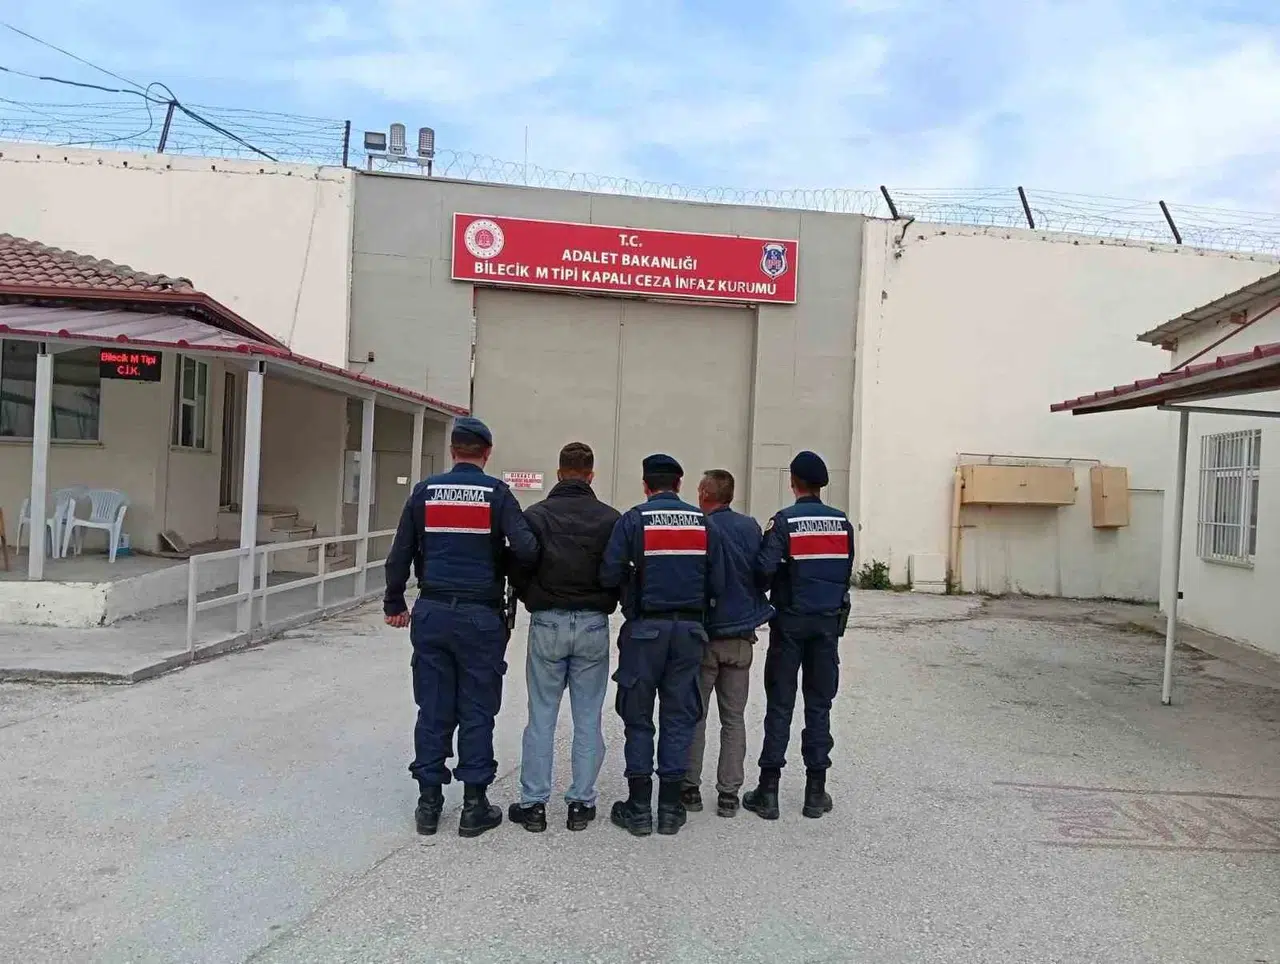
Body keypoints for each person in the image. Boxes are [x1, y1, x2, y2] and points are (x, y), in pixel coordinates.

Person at [383, 416, 540, 839]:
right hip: (480, 616)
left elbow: (399, 553)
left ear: (453, 450)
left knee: (432, 706)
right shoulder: (496, 494)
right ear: (486, 453)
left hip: (433, 611)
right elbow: (527, 549)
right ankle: (474, 806)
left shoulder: (425, 492)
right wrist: (499, 560)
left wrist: (394, 602)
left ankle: (428, 805)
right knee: (477, 708)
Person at [599, 453, 726, 837]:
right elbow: (720, 583)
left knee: (638, 718)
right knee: (678, 716)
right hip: (689, 633)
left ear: (645, 484)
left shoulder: (633, 520)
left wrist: (631, 593)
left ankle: (639, 809)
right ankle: (670, 809)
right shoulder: (703, 523)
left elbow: (609, 574)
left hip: (644, 632)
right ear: (679, 484)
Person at [506, 442, 621, 833]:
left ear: (558, 473)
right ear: (591, 475)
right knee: (588, 718)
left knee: (541, 717)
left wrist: (532, 596)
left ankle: (534, 804)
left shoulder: (536, 515)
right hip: (592, 623)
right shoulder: (610, 519)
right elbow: (615, 571)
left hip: (548, 621)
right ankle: (581, 804)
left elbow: (519, 565)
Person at [744, 450, 855, 822]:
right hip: (827, 627)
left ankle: (768, 792)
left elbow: (763, 570)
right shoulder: (841, 524)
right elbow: (845, 572)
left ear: (793, 482)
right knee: (819, 705)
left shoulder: (785, 522)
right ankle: (815, 792)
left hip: (790, 624)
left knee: (780, 704)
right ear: (821, 485)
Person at [681, 469, 774, 818]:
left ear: (705, 494)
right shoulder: (750, 527)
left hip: (706, 635)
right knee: (733, 718)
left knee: (696, 715)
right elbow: (763, 571)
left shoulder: (700, 526)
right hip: (740, 638)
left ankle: (690, 788)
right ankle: (729, 795)